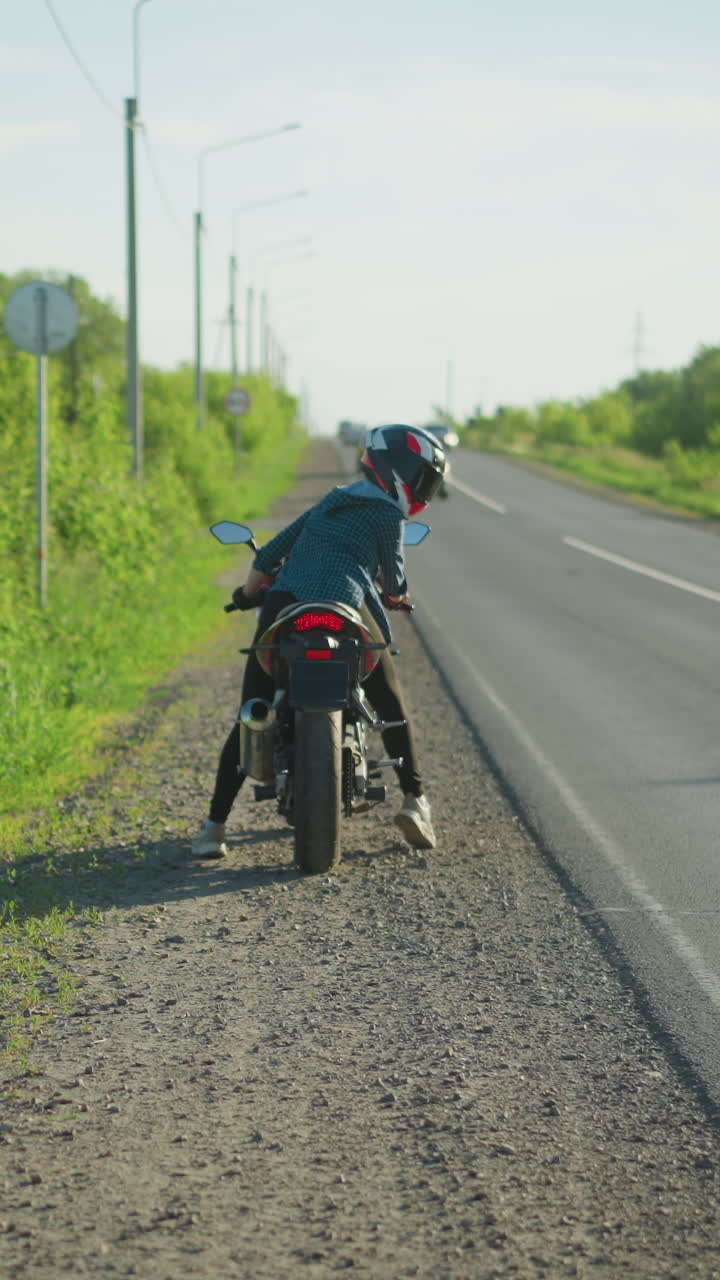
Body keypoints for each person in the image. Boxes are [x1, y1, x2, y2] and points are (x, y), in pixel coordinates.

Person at [191, 423, 447, 859]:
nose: (422, 489)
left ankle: (213, 828)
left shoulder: (331, 500)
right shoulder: (389, 516)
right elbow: (394, 583)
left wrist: (247, 595)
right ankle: (414, 801)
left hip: (287, 605)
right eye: (421, 479)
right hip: (346, 607)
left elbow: (269, 555)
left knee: (252, 712)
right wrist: (396, 599)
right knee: (389, 703)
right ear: (400, 472)